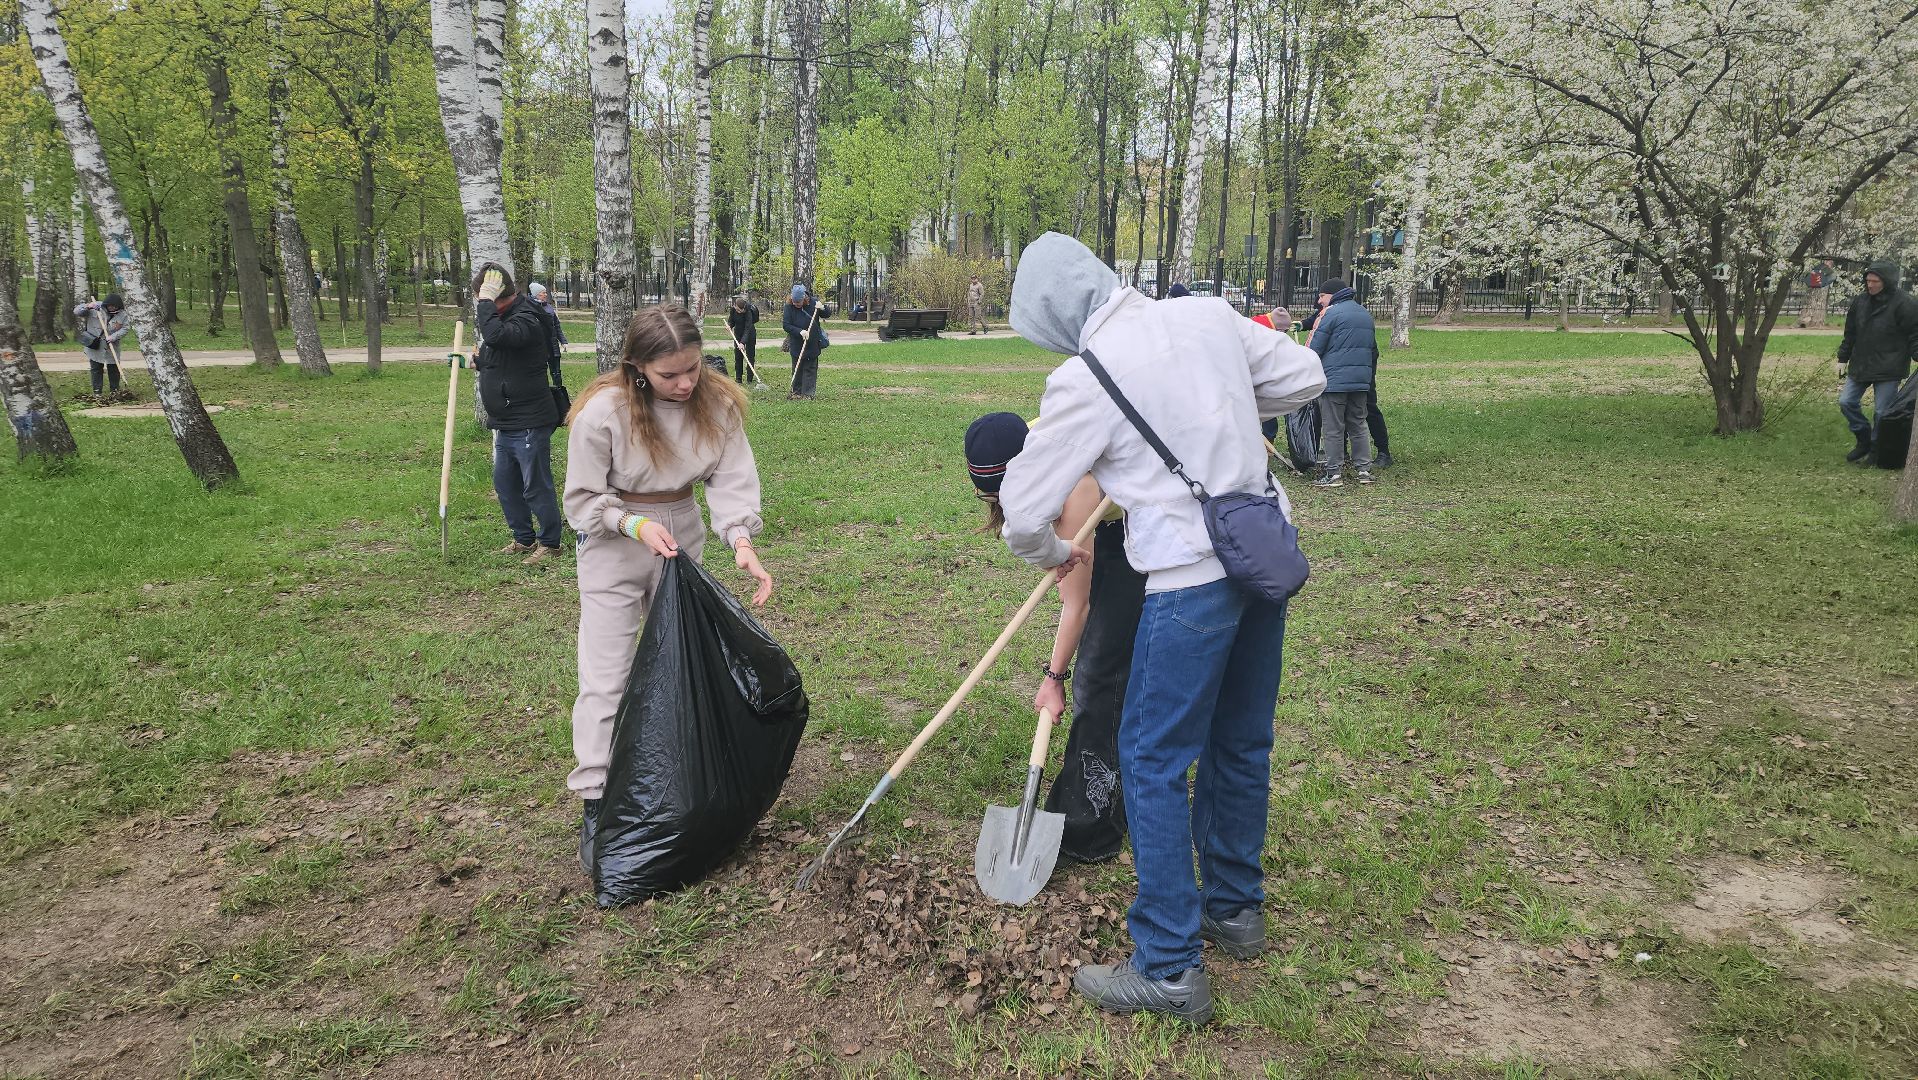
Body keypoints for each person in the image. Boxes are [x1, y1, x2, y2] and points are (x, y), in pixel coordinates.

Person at [995, 232, 1324, 1025]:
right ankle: (1235, 909)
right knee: (1241, 740)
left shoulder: (1083, 379)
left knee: (1149, 758)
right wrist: (1223, 415)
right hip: (1262, 553)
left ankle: (1170, 963)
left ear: (1047, 315)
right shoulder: (1208, 316)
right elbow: (1306, 375)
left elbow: (1018, 512)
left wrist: (1056, 551)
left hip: (1189, 581)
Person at [563, 303, 773, 873]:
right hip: (615, 543)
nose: (685, 384)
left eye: (693, 368)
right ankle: (597, 800)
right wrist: (632, 524)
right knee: (606, 676)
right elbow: (582, 500)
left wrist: (742, 543)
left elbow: (731, 480)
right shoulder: (604, 414)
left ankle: (674, 780)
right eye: (669, 375)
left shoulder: (717, 405)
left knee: (679, 662)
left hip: (681, 534)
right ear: (636, 367)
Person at [965, 412, 1142, 863]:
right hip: (1104, 534)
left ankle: (1091, 825)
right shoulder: (1018, 445)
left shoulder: (1074, 484)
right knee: (1109, 672)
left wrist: (1053, 677)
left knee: (1099, 680)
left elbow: (1075, 604)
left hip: (1138, 543)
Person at [473, 263, 566, 564]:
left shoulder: (528, 317)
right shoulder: (506, 319)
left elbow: (501, 338)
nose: (482, 304)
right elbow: (497, 353)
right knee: (506, 483)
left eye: (484, 298)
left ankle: (550, 542)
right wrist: (474, 361)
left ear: (497, 297)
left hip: (529, 419)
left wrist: (485, 303)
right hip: (506, 422)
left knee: (535, 484)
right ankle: (523, 539)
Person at [1836, 262, 1918, 463]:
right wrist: (1842, 358)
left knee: (1882, 412)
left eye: (1875, 281)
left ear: (1886, 282)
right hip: (1861, 364)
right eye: (1867, 281)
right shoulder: (1860, 302)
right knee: (1846, 402)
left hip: (1889, 366)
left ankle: (1875, 449)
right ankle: (1863, 439)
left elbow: (1914, 333)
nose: (1870, 285)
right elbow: (1851, 333)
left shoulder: (1905, 303)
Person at [1307, 278, 1379, 486]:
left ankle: (1333, 473)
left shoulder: (1329, 314)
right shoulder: (1364, 313)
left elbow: (1313, 348)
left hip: (1334, 381)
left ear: (1333, 295)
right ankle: (1364, 470)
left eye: (1321, 296)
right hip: (1360, 380)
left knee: (1333, 427)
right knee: (1358, 423)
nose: (1319, 301)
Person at [73, 294, 129, 397]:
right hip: (95, 345)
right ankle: (97, 392)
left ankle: (115, 391)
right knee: (96, 369)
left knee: (114, 369)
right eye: (110, 306)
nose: (111, 308)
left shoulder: (123, 315)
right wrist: (88, 306)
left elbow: (125, 328)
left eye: (114, 306)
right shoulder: (96, 308)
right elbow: (77, 311)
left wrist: (114, 337)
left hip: (112, 346)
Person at [782, 284, 829, 399]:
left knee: (810, 369)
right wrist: (800, 331)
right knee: (797, 369)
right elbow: (786, 325)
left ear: (804, 299)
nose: (796, 304)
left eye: (798, 302)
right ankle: (796, 392)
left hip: (812, 343)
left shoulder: (814, 303)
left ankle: (808, 393)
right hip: (797, 343)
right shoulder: (788, 307)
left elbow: (827, 314)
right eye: (794, 301)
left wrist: (823, 308)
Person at [726, 295, 760, 384]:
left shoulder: (748, 311)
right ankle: (738, 378)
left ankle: (749, 379)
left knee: (750, 356)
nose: (739, 312)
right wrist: (729, 326)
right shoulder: (733, 309)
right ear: (734, 306)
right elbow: (731, 320)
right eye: (737, 310)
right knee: (738, 356)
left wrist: (743, 342)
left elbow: (748, 328)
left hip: (749, 334)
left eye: (741, 311)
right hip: (738, 334)